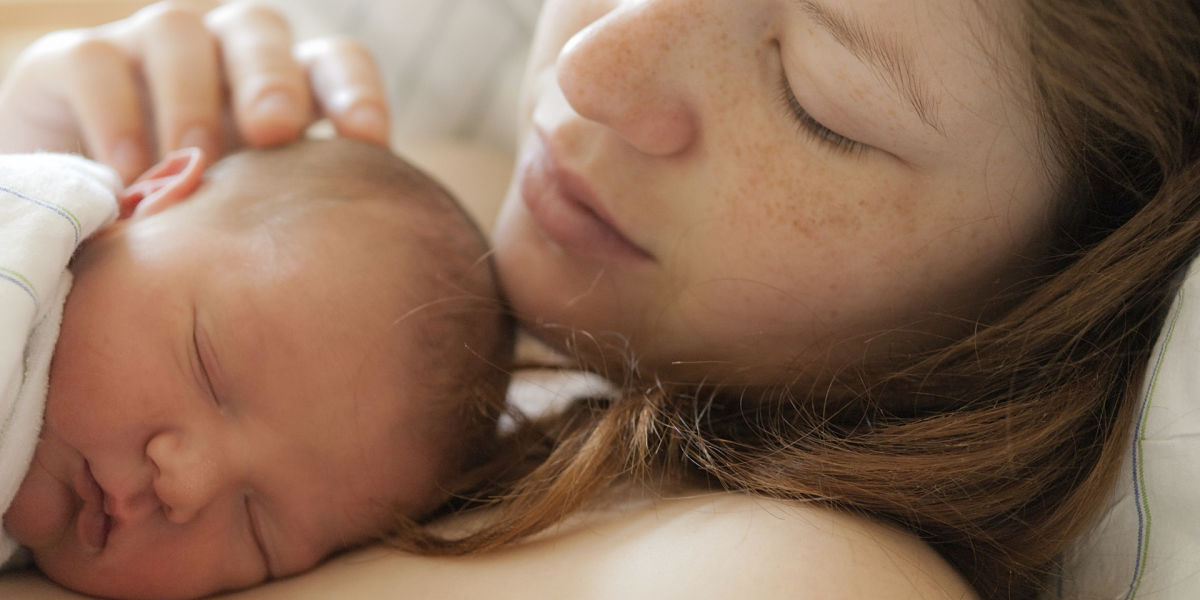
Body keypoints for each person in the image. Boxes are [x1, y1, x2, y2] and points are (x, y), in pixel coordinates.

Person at [1, 0, 1199, 598]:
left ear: (1067, 282)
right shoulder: (298, 166)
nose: (588, 66)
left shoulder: (775, 572)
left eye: (819, 102)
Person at [0, 138, 512, 600]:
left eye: (257, 531)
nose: (185, 486)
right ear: (145, 200)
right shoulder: (28, 223)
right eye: (206, 367)